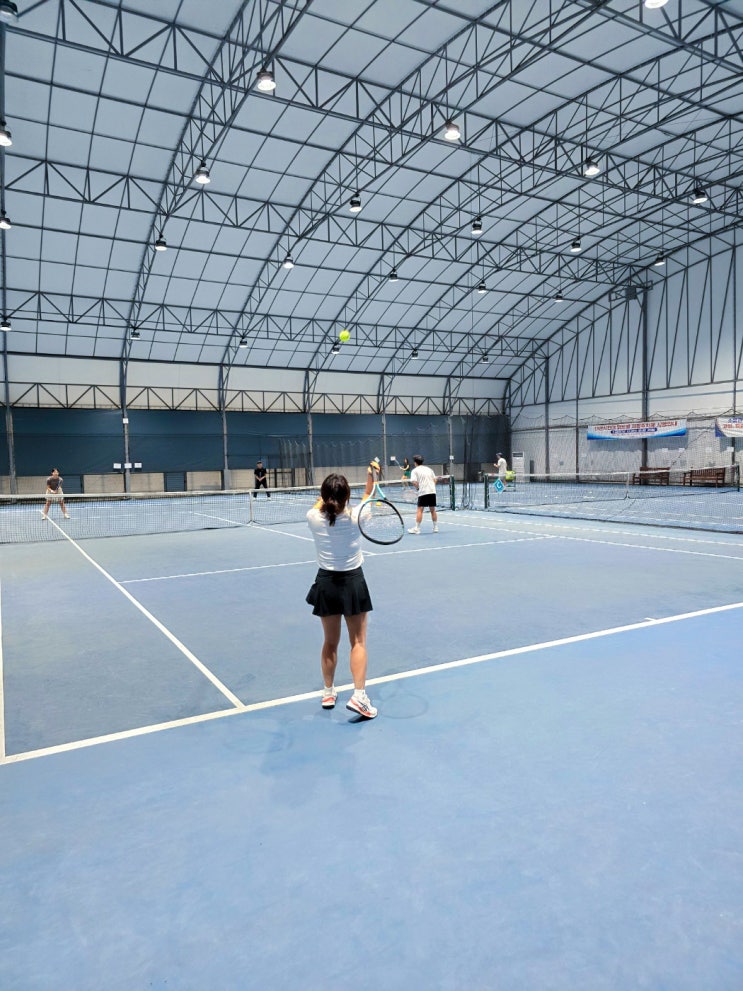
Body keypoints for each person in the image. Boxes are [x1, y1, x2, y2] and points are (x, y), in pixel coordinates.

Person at [305, 461, 378, 719]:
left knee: (329, 641)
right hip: (352, 582)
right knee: (357, 641)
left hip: (326, 584)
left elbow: (320, 505)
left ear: (324, 496)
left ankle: (328, 692)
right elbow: (368, 495)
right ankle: (359, 696)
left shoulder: (313, 518)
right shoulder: (358, 516)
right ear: (347, 496)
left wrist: (326, 498)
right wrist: (372, 475)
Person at [408, 454, 439, 534]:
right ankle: (435, 527)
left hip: (423, 492)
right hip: (432, 491)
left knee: (420, 509)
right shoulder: (429, 469)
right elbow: (435, 480)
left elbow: (414, 482)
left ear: (415, 462)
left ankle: (417, 528)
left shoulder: (414, 471)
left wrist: (418, 488)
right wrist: (432, 487)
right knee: (432, 509)